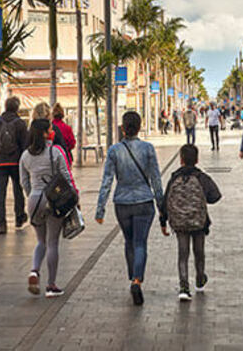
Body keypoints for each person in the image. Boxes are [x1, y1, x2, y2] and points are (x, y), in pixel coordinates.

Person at [95, 111, 163, 306]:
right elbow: (156, 179)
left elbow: (107, 181)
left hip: (122, 203)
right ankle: (137, 280)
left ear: (123, 128)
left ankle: (132, 276)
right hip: (144, 202)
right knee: (141, 242)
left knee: (129, 241)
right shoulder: (148, 148)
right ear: (140, 127)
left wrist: (100, 210)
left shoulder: (114, 151)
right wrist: (162, 206)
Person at [20, 118, 77, 299]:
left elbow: (24, 181)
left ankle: (34, 271)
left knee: (40, 241)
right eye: (50, 129)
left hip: (34, 201)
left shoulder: (25, 156)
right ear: (45, 133)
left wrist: (32, 195)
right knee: (53, 242)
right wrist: (74, 196)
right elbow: (66, 175)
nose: (52, 131)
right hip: (53, 200)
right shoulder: (55, 151)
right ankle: (51, 285)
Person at [160, 144, 222, 301]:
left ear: (181, 160)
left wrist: (163, 221)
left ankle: (184, 287)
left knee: (183, 254)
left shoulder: (174, 177)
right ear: (197, 159)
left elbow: (165, 201)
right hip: (198, 221)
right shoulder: (201, 177)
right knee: (199, 252)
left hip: (179, 222)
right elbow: (216, 196)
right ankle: (200, 279)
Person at [0, 96, 28, 234]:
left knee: (1, 192)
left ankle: (1, 222)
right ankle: (19, 218)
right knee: (18, 190)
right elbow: (25, 145)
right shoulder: (20, 123)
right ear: (17, 107)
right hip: (16, 162)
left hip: (0, 162)